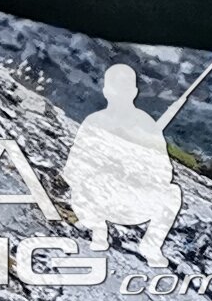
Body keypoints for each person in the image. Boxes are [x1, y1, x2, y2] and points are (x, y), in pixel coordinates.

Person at [61, 64, 180, 268]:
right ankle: (98, 231)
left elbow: (164, 173)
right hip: (97, 201)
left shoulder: (146, 125)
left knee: (173, 193)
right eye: (117, 89)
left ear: (134, 92)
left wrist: (140, 171)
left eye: (124, 90)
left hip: (132, 203)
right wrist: (106, 170)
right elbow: (71, 170)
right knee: (85, 185)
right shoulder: (94, 122)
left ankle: (151, 246)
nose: (120, 95)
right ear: (107, 91)